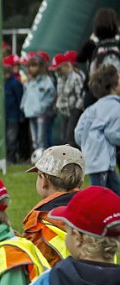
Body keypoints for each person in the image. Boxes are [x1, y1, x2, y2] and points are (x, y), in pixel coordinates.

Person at [22, 145, 85, 266]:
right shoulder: (94, 211)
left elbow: (31, 262)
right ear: (80, 182)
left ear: (43, 180)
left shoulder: (38, 222)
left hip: (54, 282)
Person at [75, 63, 120, 195]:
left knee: (114, 190)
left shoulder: (92, 108)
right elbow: (112, 133)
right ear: (114, 86)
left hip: (92, 158)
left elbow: (78, 132)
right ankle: (92, 214)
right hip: (102, 160)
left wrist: (86, 145)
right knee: (98, 194)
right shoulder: (116, 107)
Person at [77, 7, 120, 107]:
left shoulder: (91, 45)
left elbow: (79, 59)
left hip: (96, 95)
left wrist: (91, 39)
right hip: (117, 91)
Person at [22, 52, 56, 161]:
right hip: (31, 112)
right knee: (35, 138)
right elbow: (26, 95)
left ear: (41, 67)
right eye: (30, 66)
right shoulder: (29, 81)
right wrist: (23, 106)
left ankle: (46, 159)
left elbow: (51, 95)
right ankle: (38, 158)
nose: (31, 69)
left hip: (42, 113)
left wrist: (42, 107)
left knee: (42, 138)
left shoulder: (47, 81)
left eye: (34, 65)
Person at [51, 51, 85, 148]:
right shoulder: (60, 78)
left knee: (70, 136)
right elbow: (60, 94)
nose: (58, 72)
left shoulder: (76, 78)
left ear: (66, 66)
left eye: (59, 69)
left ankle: (74, 159)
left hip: (74, 110)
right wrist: (58, 105)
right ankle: (66, 158)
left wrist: (76, 110)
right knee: (63, 137)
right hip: (64, 111)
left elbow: (80, 95)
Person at [3, 55, 25, 165]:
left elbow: (20, 99)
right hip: (5, 115)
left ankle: (11, 158)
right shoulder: (3, 83)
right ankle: (8, 157)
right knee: (7, 138)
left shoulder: (14, 83)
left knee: (12, 138)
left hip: (13, 115)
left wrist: (20, 115)